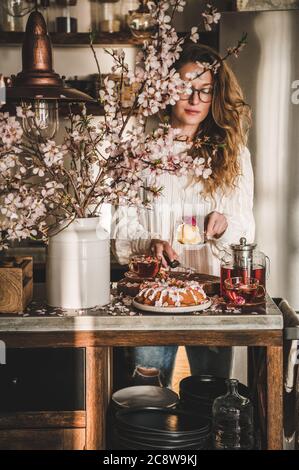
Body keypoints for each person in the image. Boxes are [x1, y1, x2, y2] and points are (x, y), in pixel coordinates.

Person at [112, 43, 255, 389]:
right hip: (149, 302)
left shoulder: (233, 157)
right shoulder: (138, 155)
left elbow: (246, 235)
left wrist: (223, 229)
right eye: (184, 88)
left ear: (215, 96)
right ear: (165, 90)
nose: (194, 99)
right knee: (146, 396)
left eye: (205, 91)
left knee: (211, 396)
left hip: (212, 303)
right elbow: (119, 231)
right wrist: (149, 242)